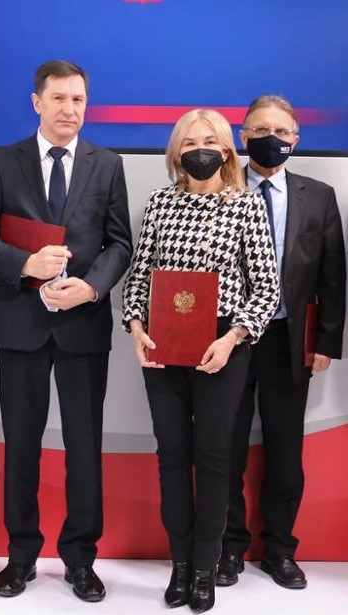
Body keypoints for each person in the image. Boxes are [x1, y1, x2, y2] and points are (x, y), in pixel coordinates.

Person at [0, 59, 131, 602]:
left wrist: (93, 287)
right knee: (21, 445)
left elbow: (119, 243)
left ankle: (81, 560)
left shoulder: (107, 164)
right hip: (22, 324)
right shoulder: (4, 161)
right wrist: (24, 264)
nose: (70, 109)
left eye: (78, 99)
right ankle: (20, 557)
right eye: (59, 98)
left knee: (84, 447)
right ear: (37, 102)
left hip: (83, 325)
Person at [122, 109, 280, 613]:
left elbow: (266, 289)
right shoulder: (160, 202)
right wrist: (136, 328)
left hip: (222, 346)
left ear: (227, 149)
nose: (199, 150)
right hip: (163, 344)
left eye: (209, 140)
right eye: (189, 142)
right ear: (176, 152)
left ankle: (206, 567)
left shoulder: (247, 205)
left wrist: (232, 338)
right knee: (172, 455)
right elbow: (139, 277)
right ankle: (180, 564)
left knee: (213, 457)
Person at [218, 95, 346, 589]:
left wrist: (326, 342)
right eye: (260, 130)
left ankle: (279, 550)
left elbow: (332, 274)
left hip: (290, 341)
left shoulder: (318, 196)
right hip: (229, 339)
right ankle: (228, 547)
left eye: (282, 131)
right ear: (243, 136)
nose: (272, 139)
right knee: (225, 446)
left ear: (296, 139)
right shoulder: (221, 190)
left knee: (286, 452)